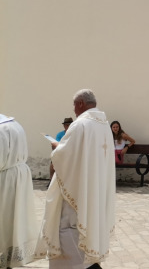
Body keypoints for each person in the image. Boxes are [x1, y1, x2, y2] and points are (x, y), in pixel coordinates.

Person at [35, 89, 115, 269]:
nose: (74, 110)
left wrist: (56, 146)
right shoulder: (103, 124)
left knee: (69, 226)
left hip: (79, 187)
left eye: (74, 105)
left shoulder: (80, 125)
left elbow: (64, 156)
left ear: (80, 103)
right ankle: (91, 260)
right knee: (90, 219)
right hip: (96, 185)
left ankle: (77, 264)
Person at [0, 114, 38, 268]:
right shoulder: (14, 124)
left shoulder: (1, 128)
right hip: (20, 174)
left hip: (5, 177)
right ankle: (11, 256)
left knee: (4, 219)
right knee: (15, 217)